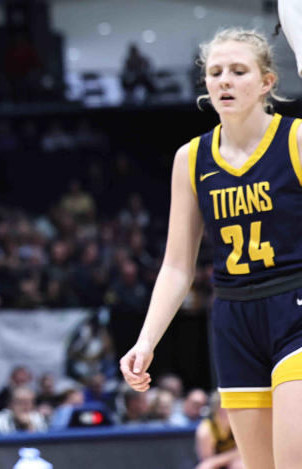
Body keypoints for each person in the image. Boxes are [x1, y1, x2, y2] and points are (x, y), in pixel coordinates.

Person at [121, 28, 300, 469]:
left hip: (295, 305)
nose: (224, 80)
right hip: (233, 317)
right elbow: (177, 268)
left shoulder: (296, 140)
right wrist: (146, 341)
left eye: (239, 71)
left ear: (266, 83)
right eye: (215, 72)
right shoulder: (192, 159)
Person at [195, 392, 244, 469]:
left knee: (240, 465)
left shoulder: (239, 423)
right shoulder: (206, 430)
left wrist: (223, 459)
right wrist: (232, 455)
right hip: (216, 464)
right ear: (216, 408)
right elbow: (207, 461)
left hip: (233, 462)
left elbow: (243, 452)